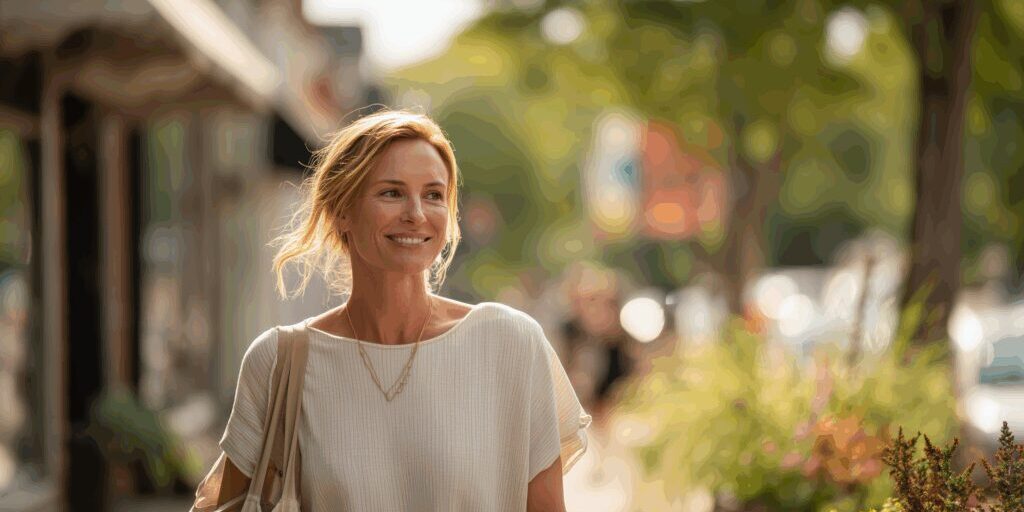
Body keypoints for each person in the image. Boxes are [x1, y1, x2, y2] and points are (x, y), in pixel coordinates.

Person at [213, 110, 591, 511]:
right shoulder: (279, 362)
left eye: (433, 195)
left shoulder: (511, 343)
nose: (416, 214)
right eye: (392, 193)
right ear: (343, 211)